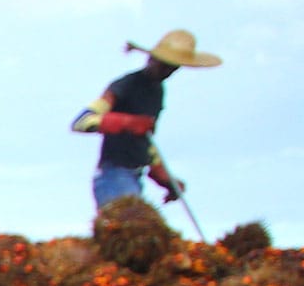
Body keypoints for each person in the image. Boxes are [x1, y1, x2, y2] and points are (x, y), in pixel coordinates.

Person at [72, 28, 220, 211]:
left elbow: (146, 139)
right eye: (164, 64)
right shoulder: (125, 86)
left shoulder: (157, 92)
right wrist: (126, 122)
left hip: (135, 176)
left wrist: (165, 178)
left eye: (173, 67)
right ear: (152, 58)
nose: (167, 71)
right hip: (114, 175)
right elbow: (82, 122)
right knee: (130, 228)